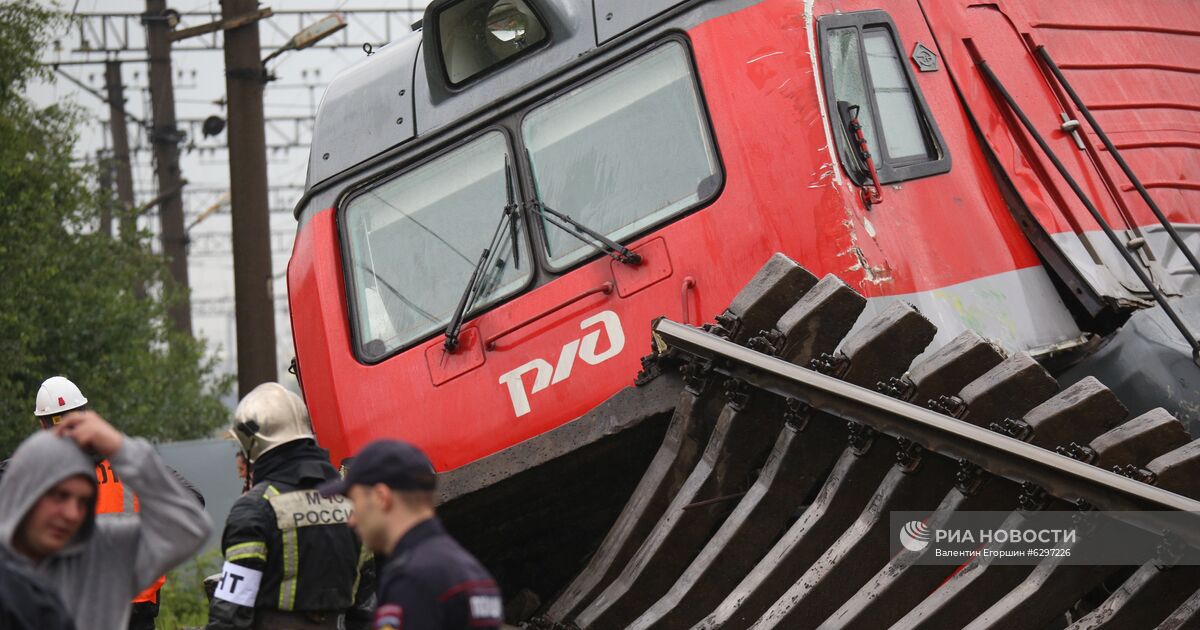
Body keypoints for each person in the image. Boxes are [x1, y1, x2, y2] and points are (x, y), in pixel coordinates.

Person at [0, 409, 211, 630]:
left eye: (83, 501)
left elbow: (190, 526)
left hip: (137, 600)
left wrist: (121, 447)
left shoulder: (99, 551)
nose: (72, 513)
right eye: (60, 496)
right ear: (28, 492)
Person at [206, 382, 374, 630]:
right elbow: (366, 607)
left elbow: (231, 614)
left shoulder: (255, 508)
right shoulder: (353, 500)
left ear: (254, 444)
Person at [319, 439, 504, 630]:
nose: (352, 519)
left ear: (381, 497)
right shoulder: (475, 574)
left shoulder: (411, 580)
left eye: (355, 502)